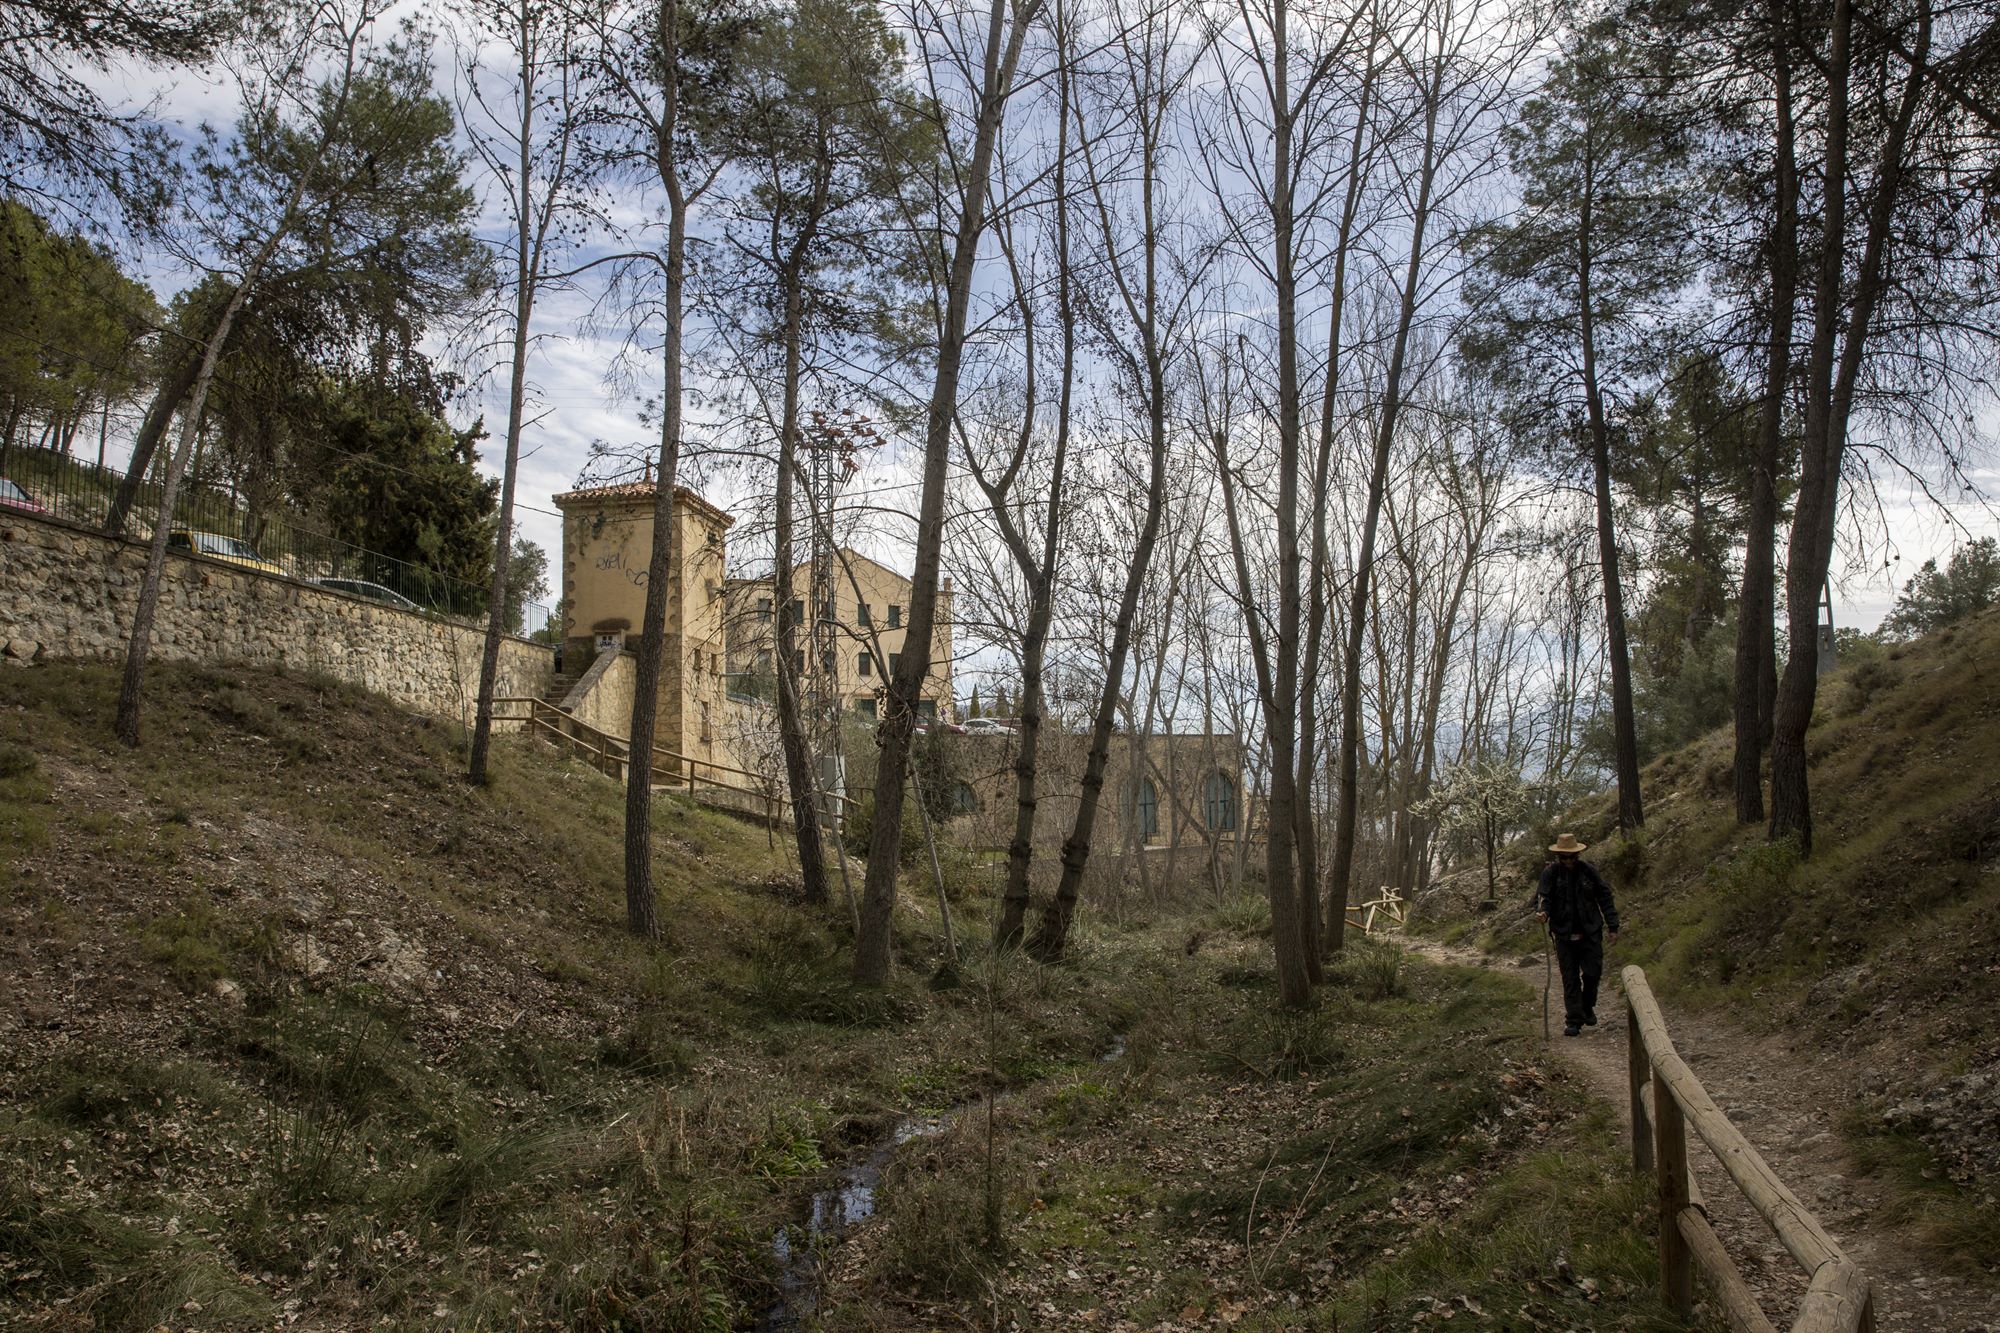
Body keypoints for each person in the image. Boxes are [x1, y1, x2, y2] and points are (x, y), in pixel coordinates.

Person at [1536, 833, 1619, 1038]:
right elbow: (1542, 896)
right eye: (1564, 857)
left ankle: (1587, 1007)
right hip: (1563, 935)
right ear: (1559, 857)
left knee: (1593, 974)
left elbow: (1604, 896)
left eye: (1572, 857)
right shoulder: (1550, 873)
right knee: (1570, 978)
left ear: (1578, 855)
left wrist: (1612, 926)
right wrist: (1543, 911)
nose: (1568, 861)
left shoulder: (1588, 872)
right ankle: (1573, 1020)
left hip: (1590, 932)